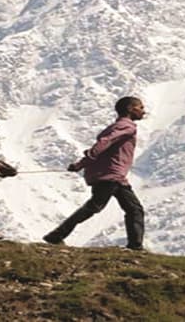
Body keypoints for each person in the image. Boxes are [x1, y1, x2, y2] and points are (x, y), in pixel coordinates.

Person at [43, 96, 146, 250]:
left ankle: (135, 246)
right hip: (111, 175)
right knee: (96, 207)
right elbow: (106, 142)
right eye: (141, 107)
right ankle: (56, 235)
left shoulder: (115, 126)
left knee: (133, 209)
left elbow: (102, 148)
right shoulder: (127, 127)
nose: (143, 111)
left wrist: (80, 164)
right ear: (131, 109)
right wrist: (90, 155)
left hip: (113, 176)